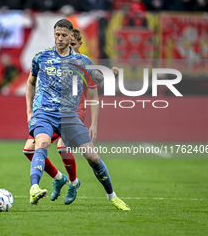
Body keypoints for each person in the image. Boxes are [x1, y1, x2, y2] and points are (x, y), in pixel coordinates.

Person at [26, 19, 130, 210]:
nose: (59, 39)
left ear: (71, 36)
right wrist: (30, 110)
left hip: (68, 116)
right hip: (44, 113)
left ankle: (112, 196)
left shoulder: (82, 61)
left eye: (64, 35)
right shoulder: (41, 56)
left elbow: (100, 82)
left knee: (92, 157)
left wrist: (112, 75)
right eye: (57, 34)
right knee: (41, 144)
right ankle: (34, 187)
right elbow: (30, 82)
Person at [23, 28, 102, 205]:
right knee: (29, 149)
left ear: (79, 44)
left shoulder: (82, 63)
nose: (69, 46)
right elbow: (34, 80)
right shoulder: (53, 60)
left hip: (74, 111)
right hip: (50, 111)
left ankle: (74, 182)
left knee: (62, 147)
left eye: (73, 44)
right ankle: (59, 178)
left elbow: (98, 83)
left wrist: (94, 123)